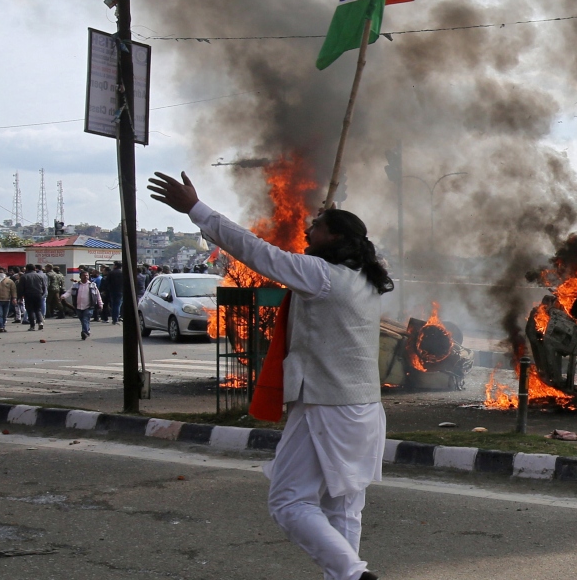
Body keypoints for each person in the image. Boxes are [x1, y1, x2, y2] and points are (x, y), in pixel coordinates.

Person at [149, 171, 389, 580]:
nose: (308, 231)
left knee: (289, 502)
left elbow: (256, 252)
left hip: (325, 407)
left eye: (317, 227)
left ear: (335, 239)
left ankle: (351, 574)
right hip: (363, 409)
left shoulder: (321, 276)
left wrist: (196, 208)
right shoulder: (368, 280)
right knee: (343, 507)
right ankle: (348, 575)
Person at [65, 270, 103, 340]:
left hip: (89, 306)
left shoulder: (92, 285)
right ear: (80, 277)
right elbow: (69, 292)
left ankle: (84, 332)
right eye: (84, 275)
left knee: (85, 319)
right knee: (83, 320)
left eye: (87, 275)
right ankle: (87, 330)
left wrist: (100, 304)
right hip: (78, 306)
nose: (85, 277)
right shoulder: (75, 285)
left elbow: (98, 295)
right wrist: (63, 297)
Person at [19, 264, 48, 331]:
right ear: (34, 269)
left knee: (30, 310)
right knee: (38, 309)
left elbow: (21, 288)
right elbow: (44, 286)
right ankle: (40, 322)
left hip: (28, 295)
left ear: (27, 269)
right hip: (38, 294)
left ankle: (32, 326)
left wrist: (20, 296)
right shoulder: (40, 276)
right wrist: (42, 294)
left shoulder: (24, 277)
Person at [102, 260, 124, 325]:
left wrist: (106, 290)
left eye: (114, 265)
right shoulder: (123, 272)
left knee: (114, 305)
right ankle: (116, 318)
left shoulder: (111, 273)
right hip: (121, 291)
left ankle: (114, 318)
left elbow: (107, 282)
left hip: (112, 291)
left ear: (116, 265)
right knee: (118, 305)